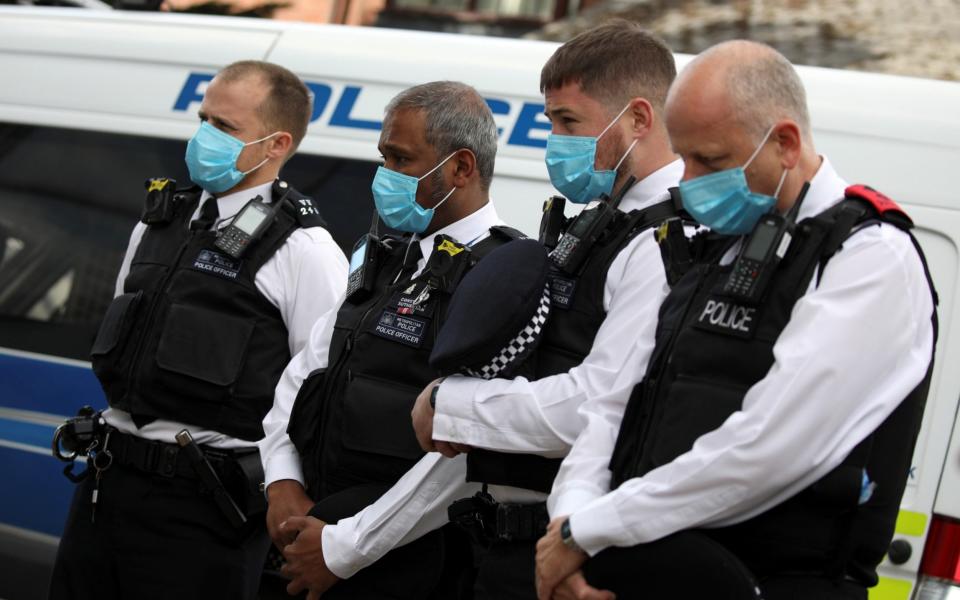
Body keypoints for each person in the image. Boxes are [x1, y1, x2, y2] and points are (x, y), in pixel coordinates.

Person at [278, 21, 687, 600]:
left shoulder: (664, 241)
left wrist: (456, 405)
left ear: (639, 120)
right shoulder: (596, 230)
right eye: (551, 122)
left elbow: (601, 405)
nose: (555, 141)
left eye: (568, 122)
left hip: (573, 555)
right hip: (511, 548)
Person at [534, 40, 938, 600]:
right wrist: (572, 519)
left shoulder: (869, 258)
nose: (690, 179)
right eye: (685, 156)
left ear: (786, 143)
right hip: (648, 572)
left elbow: (769, 446)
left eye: (712, 161)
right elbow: (615, 405)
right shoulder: (709, 249)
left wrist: (592, 530)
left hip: (775, 580)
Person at [48, 60, 348, 600]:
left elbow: (318, 397)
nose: (204, 136)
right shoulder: (160, 222)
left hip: (204, 505)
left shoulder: (305, 250)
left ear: (276, 144)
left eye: (225, 127)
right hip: (106, 485)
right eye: (203, 118)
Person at [260, 80, 522, 599]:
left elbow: (465, 452)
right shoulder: (388, 258)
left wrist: (347, 547)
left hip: (407, 562)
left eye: (401, 160)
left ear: (461, 168)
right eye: (383, 157)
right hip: (315, 532)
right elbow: (304, 374)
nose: (385, 177)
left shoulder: (502, 276)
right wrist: (282, 481)